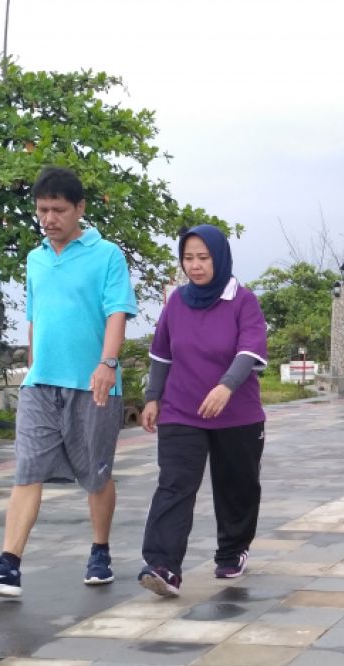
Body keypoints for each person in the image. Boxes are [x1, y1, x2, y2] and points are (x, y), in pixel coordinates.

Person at [0, 166, 137, 598]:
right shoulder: (35, 257)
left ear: (80, 209)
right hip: (40, 386)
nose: (49, 218)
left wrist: (107, 364)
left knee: (96, 476)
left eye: (58, 209)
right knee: (27, 471)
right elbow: (35, 318)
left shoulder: (107, 254)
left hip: (92, 383)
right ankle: (9, 565)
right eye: (42, 210)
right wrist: (32, 370)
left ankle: (100, 549)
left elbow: (117, 311)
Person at [136, 225, 268, 596]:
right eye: (188, 258)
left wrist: (227, 385)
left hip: (237, 414)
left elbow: (251, 350)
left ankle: (232, 550)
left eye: (203, 258)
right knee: (174, 484)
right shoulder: (176, 302)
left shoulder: (243, 300)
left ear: (219, 258)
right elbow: (162, 354)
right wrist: (152, 397)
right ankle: (162, 565)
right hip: (181, 410)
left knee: (237, 486)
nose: (195, 266)